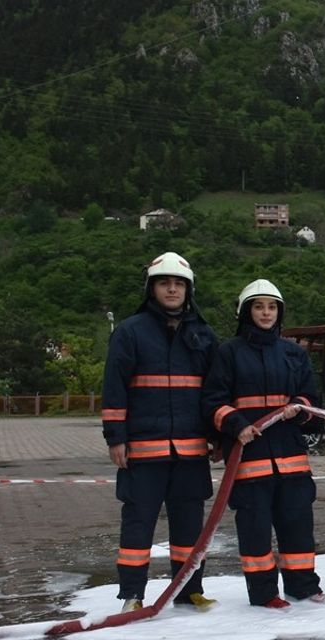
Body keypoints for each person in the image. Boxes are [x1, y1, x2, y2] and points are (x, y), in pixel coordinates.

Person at [202, 279, 325, 609]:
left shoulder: (293, 353)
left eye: (272, 306)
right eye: (259, 306)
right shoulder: (228, 353)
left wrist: (300, 407)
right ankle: (264, 594)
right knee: (255, 531)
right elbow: (212, 401)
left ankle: (303, 587)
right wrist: (236, 425)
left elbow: (311, 398)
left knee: (298, 527)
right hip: (249, 459)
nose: (266, 312)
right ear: (246, 312)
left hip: (291, 459)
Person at [101, 252, 219, 612]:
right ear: (151, 288)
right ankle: (132, 596)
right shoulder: (130, 332)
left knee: (189, 530)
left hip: (190, 451)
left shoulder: (203, 334)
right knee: (137, 527)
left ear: (188, 289)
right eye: (165, 283)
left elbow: (214, 390)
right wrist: (116, 437)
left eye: (179, 283)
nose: (172, 289)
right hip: (142, 451)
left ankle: (188, 590)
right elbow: (115, 387)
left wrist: (216, 436)